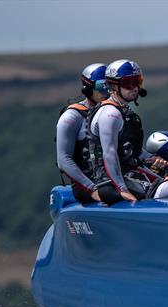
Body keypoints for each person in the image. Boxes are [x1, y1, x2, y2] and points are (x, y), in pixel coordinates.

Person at [87, 59, 153, 205]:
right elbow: (109, 154)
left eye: (138, 82)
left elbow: (131, 151)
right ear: (114, 86)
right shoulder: (111, 114)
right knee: (162, 190)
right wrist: (122, 189)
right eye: (129, 83)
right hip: (109, 184)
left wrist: (156, 159)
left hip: (126, 176)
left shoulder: (122, 111)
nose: (135, 88)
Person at [55, 63, 108, 204]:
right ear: (87, 88)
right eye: (102, 86)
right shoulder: (72, 117)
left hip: (114, 180)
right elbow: (63, 160)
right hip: (88, 187)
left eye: (111, 86)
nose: (107, 91)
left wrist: (154, 159)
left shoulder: (114, 113)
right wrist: (92, 189)